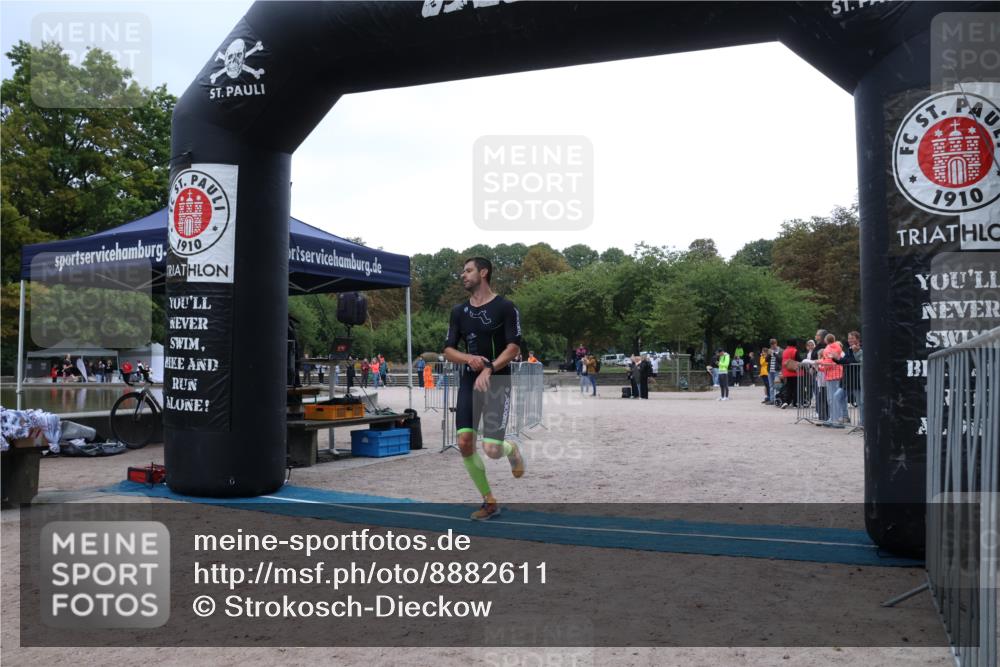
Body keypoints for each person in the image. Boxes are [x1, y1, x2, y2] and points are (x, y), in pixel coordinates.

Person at [443, 256, 526, 521]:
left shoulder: (506, 307)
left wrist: (490, 367)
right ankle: (489, 502)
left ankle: (511, 450)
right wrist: (469, 359)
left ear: (484, 272)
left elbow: (513, 347)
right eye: (462, 271)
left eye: (468, 271)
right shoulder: (458, 312)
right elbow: (448, 350)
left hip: (498, 381)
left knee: (492, 450)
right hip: (470, 380)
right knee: (465, 443)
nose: (463, 275)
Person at [818, 333, 845, 427]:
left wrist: (819, 362)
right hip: (836, 374)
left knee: (832, 398)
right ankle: (834, 418)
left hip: (832, 375)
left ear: (826, 340)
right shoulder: (837, 347)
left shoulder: (828, 349)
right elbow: (831, 362)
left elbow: (829, 363)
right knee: (834, 398)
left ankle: (835, 419)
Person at [779, 338, 800, 409]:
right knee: (795, 388)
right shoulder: (795, 351)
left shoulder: (785, 351)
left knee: (788, 387)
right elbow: (799, 360)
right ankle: (795, 403)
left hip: (786, 371)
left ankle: (786, 401)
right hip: (794, 371)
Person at [767, 339, 781, 405]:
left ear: (776, 343)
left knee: (777, 386)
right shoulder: (769, 350)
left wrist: (774, 353)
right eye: (771, 344)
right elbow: (766, 360)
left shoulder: (780, 350)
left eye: (774, 344)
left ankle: (777, 400)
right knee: (771, 386)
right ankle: (772, 400)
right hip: (770, 370)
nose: (773, 345)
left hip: (777, 370)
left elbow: (780, 360)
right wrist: (769, 354)